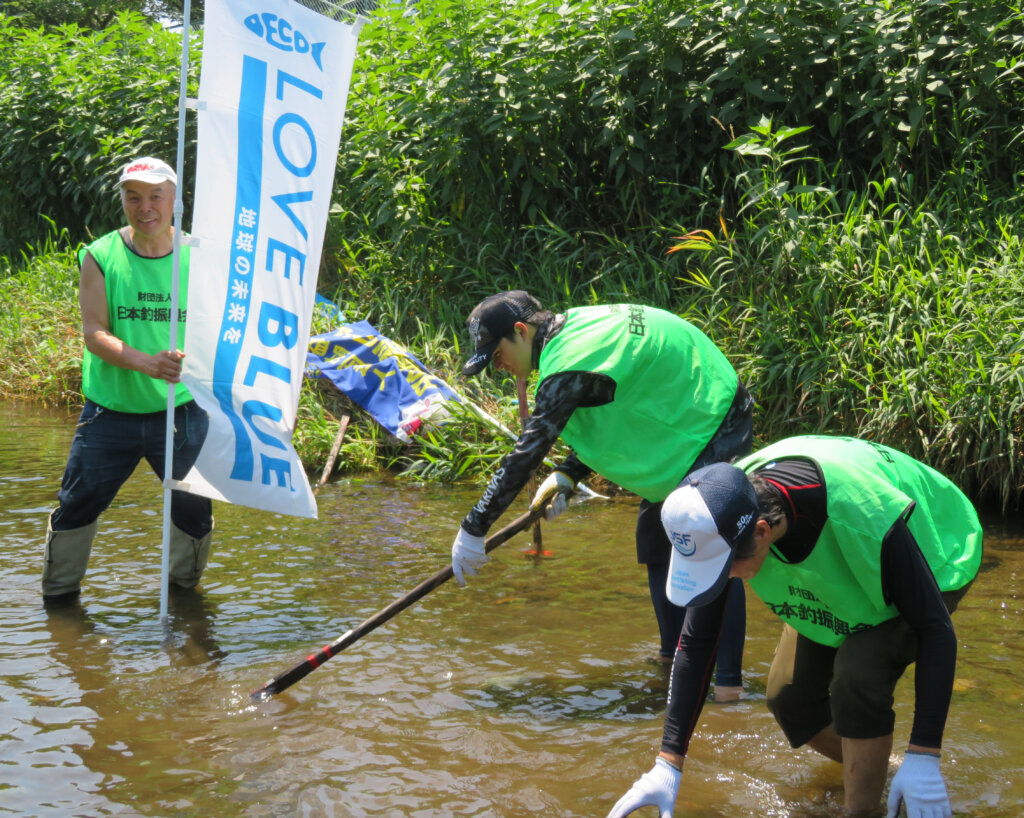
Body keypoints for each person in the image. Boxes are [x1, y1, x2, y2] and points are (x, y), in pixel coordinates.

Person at [609, 435, 982, 818]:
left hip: (937, 547)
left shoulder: (859, 516)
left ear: (762, 533)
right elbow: (697, 641)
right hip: (843, 571)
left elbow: (936, 629)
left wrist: (925, 751)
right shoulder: (723, 509)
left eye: (724, 570)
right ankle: (882, 771)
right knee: (789, 696)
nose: (721, 581)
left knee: (858, 677)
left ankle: (862, 810)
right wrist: (668, 762)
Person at [451, 291, 754, 697]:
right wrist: (568, 473)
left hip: (713, 414)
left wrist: (474, 526)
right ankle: (670, 662)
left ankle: (727, 690)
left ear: (521, 332)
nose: (500, 367)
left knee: (704, 540)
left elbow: (527, 452)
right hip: (679, 420)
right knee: (654, 536)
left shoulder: (566, 362)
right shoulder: (573, 332)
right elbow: (612, 402)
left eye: (498, 354)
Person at [42, 157, 213, 603]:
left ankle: (184, 594)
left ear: (174, 201)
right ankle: (58, 602)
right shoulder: (100, 256)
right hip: (109, 413)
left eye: (156, 196)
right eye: (133, 197)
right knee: (77, 505)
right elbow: (94, 333)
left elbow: (219, 330)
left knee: (193, 509)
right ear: (122, 200)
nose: (145, 207)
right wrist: (147, 363)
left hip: (181, 411)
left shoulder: (201, 257)